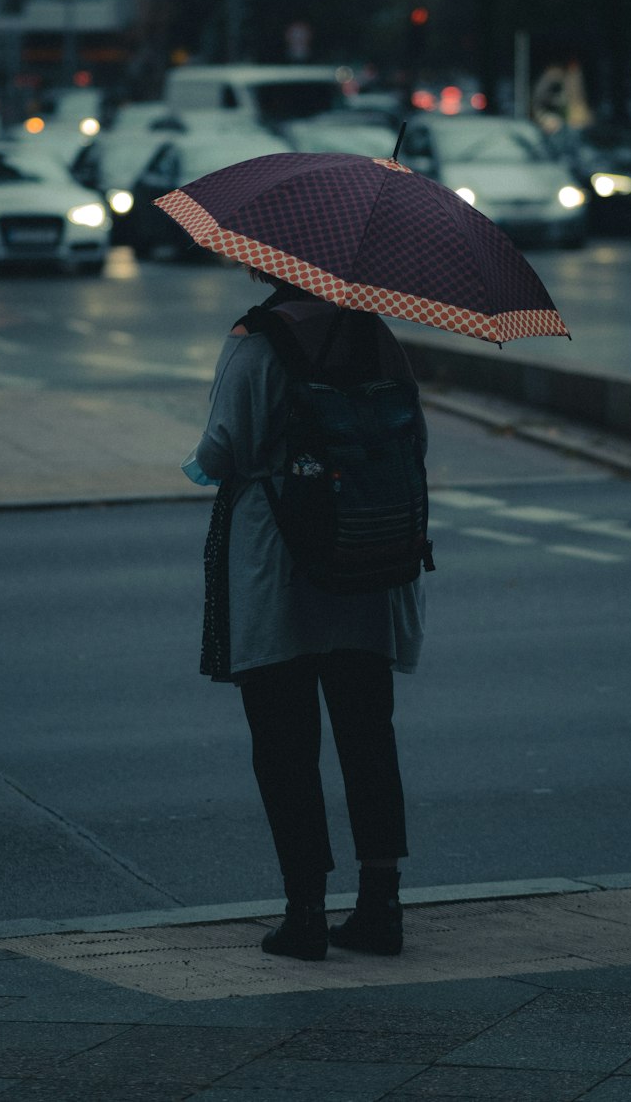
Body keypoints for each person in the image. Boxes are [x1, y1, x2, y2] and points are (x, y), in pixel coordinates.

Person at [183, 270, 426, 961]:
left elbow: (222, 448)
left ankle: (306, 914)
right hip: (369, 562)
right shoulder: (376, 336)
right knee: (368, 738)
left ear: (265, 264)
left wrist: (202, 465)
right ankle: (382, 906)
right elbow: (414, 438)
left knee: (286, 747)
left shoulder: (257, 342)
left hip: (279, 569)